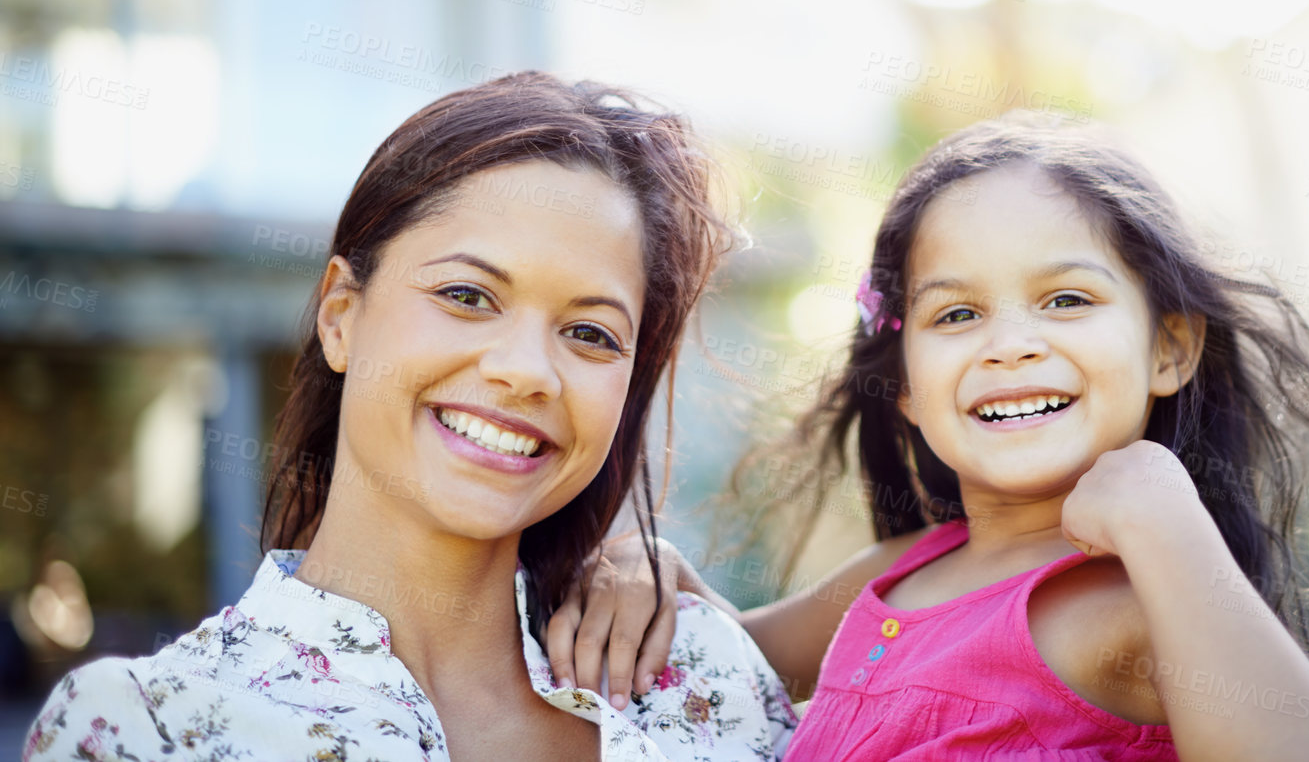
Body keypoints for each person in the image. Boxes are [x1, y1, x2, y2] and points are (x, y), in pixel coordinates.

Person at [24, 73, 795, 761]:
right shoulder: (146, 729)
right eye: (467, 295)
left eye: (590, 333)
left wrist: (704, 607)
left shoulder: (703, 685)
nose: (525, 370)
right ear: (340, 315)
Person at [551, 115, 1309, 759]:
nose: (1009, 343)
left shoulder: (1137, 603)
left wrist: (1167, 520)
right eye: (957, 314)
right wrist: (648, 568)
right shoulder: (898, 576)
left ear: (1169, 347)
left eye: (1066, 300)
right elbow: (712, 664)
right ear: (905, 384)